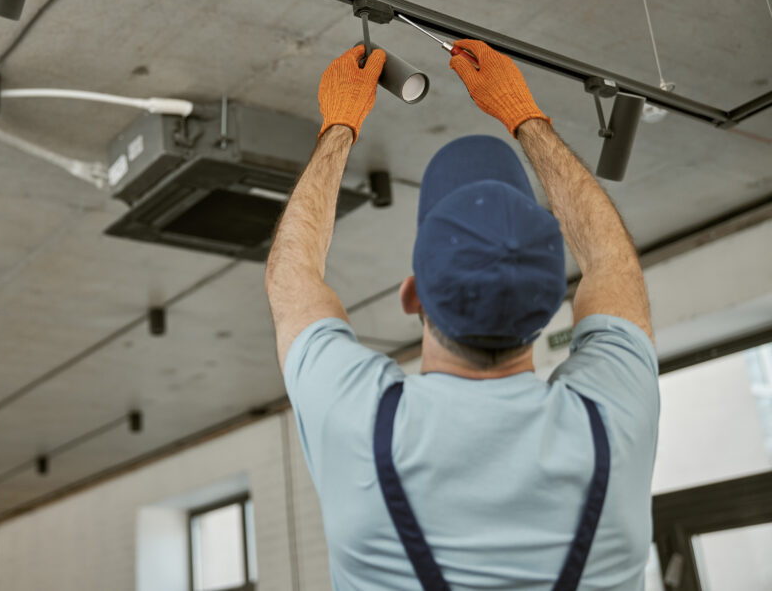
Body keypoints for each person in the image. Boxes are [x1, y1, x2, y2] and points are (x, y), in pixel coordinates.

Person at [264, 40, 659, 590]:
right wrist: (527, 119)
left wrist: (339, 125)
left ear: (412, 297)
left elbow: (291, 276)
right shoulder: (612, 428)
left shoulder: (362, 423)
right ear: (549, 309)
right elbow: (613, 262)